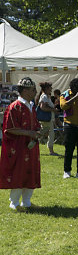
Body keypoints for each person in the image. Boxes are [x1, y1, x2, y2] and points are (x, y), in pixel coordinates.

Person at [0, 77, 41, 211]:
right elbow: (9, 129)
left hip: (31, 146)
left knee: (31, 170)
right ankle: (14, 202)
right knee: (18, 171)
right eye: (32, 90)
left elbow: (34, 124)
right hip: (18, 147)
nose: (35, 92)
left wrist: (38, 131)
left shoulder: (31, 106)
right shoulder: (14, 107)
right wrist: (29, 133)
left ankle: (27, 201)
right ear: (24, 90)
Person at [35, 81, 59, 156]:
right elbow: (43, 107)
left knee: (43, 133)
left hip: (47, 119)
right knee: (50, 134)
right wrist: (53, 110)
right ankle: (51, 151)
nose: (51, 89)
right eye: (50, 88)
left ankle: (33, 143)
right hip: (46, 119)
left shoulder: (45, 96)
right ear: (46, 89)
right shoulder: (44, 96)